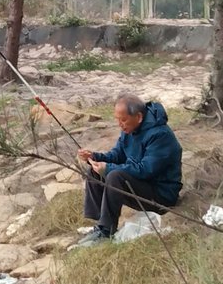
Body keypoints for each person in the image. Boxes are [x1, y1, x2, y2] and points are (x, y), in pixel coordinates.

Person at [73, 94, 183, 247]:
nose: (120, 124)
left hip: (161, 196)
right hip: (143, 186)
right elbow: (118, 155)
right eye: (117, 120)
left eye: (123, 120)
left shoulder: (160, 135)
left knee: (115, 176)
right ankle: (99, 224)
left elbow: (146, 170)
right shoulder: (129, 130)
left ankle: (106, 231)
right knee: (94, 171)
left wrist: (109, 168)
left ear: (138, 117)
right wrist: (94, 156)